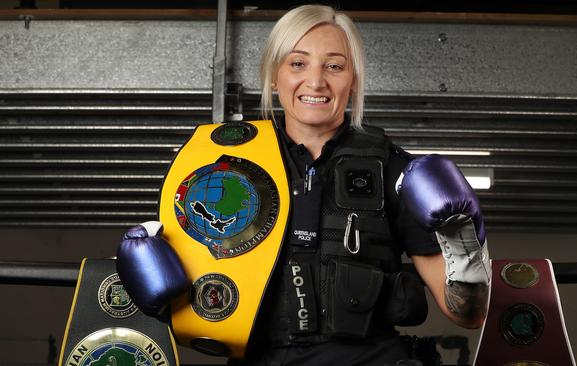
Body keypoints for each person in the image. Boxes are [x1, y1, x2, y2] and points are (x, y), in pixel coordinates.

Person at [117, 5, 490, 366]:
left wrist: (464, 244)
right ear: (274, 75)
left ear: (353, 80)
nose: (316, 81)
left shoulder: (394, 170)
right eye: (298, 63)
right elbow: (198, 302)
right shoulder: (217, 167)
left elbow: (468, 315)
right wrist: (157, 291)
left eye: (334, 66)